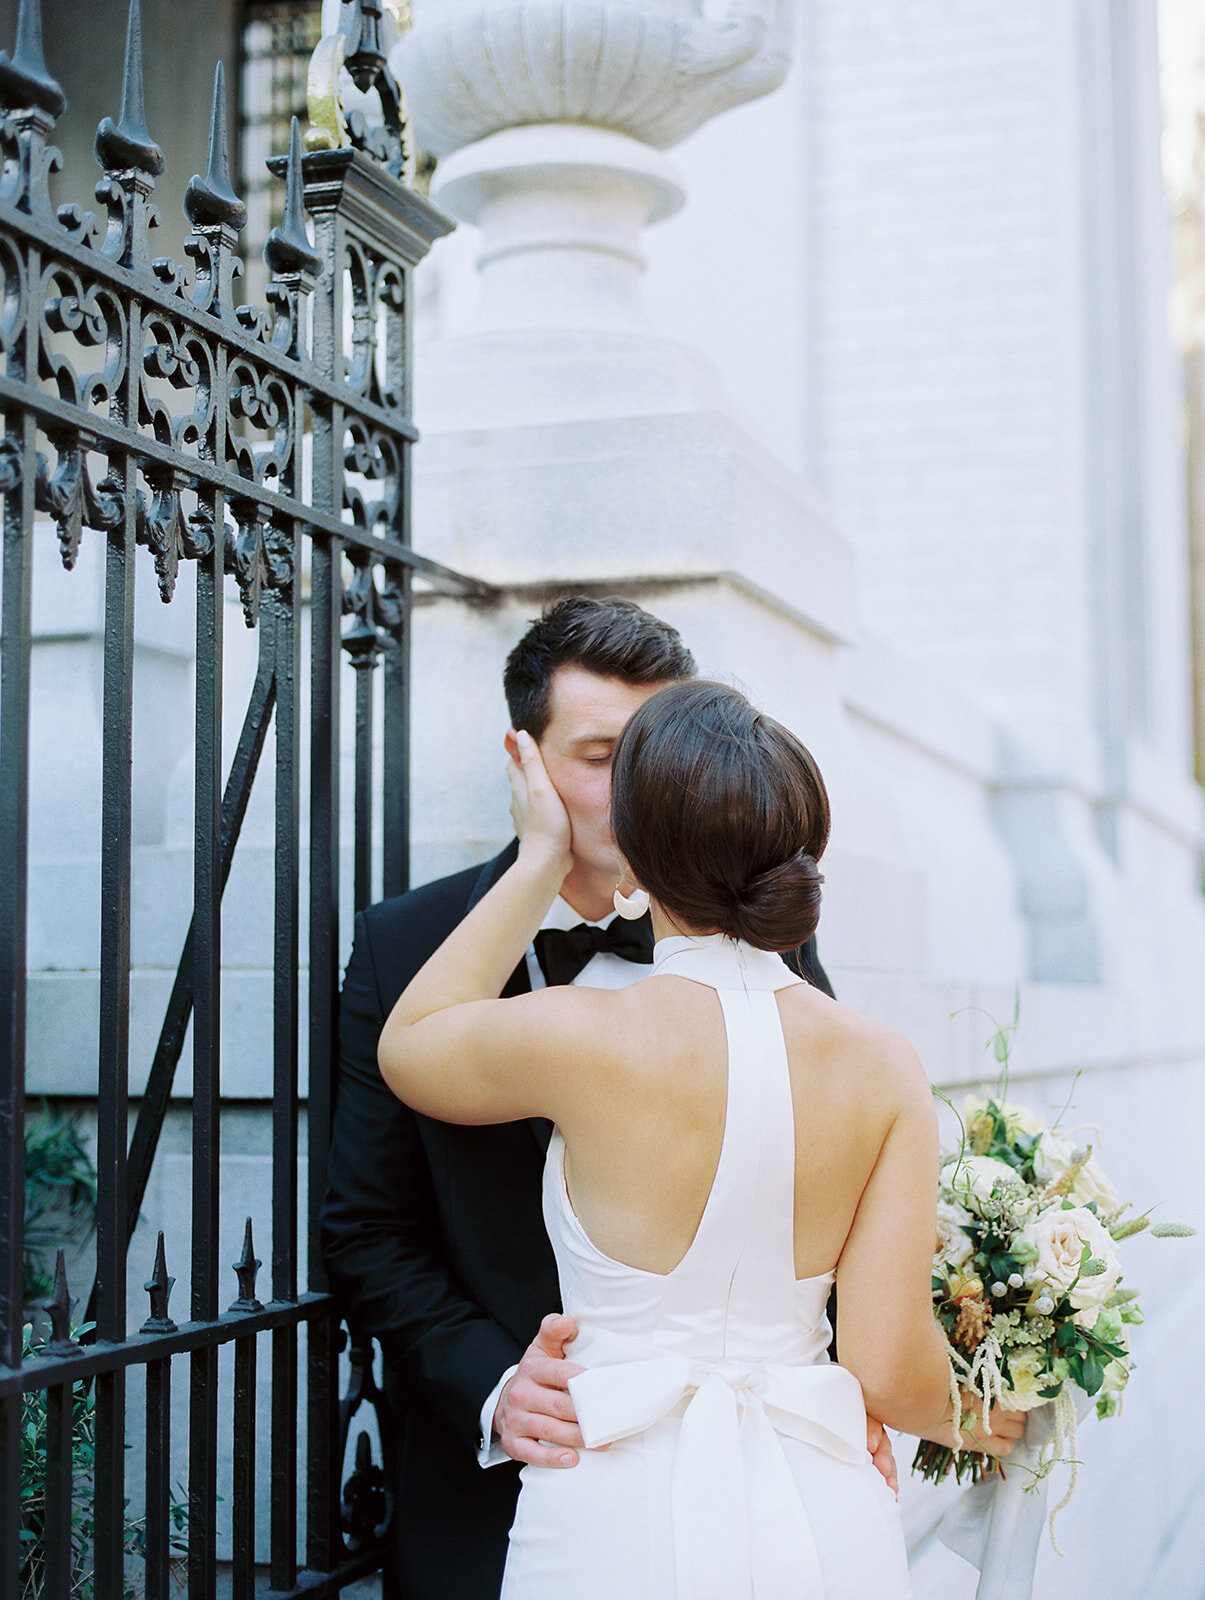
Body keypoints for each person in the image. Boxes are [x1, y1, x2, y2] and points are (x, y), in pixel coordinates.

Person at [377, 679, 1024, 1599]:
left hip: (606, 1510)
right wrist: (991, 1415)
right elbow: (882, 1361)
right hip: (823, 1505)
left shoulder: (581, 1034)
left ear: (637, 861)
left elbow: (410, 1043)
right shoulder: (883, 1064)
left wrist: (537, 859)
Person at [319, 598, 841, 1600]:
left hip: (737, 1490)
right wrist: (496, 1387)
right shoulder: (403, 947)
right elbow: (365, 1229)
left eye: (651, 750)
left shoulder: (768, 936)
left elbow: (820, 1175)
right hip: (503, 1492)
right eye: (603, 756)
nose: (637, 789)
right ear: (525, 759)